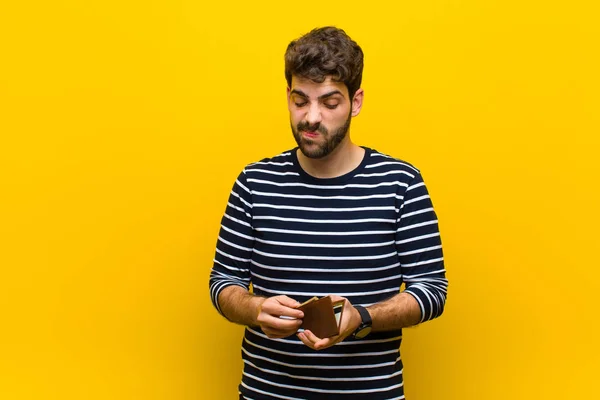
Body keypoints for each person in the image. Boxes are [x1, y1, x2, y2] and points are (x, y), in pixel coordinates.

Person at [209, 26, 448, 400]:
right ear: (287, 95)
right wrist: (255, 308)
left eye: (330, 102)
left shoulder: (401, 183)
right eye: (301, 101)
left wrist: (362, 317)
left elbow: (432, 291)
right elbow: (223, 282)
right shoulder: (253, 183)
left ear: (356, 102)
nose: (311, 117)